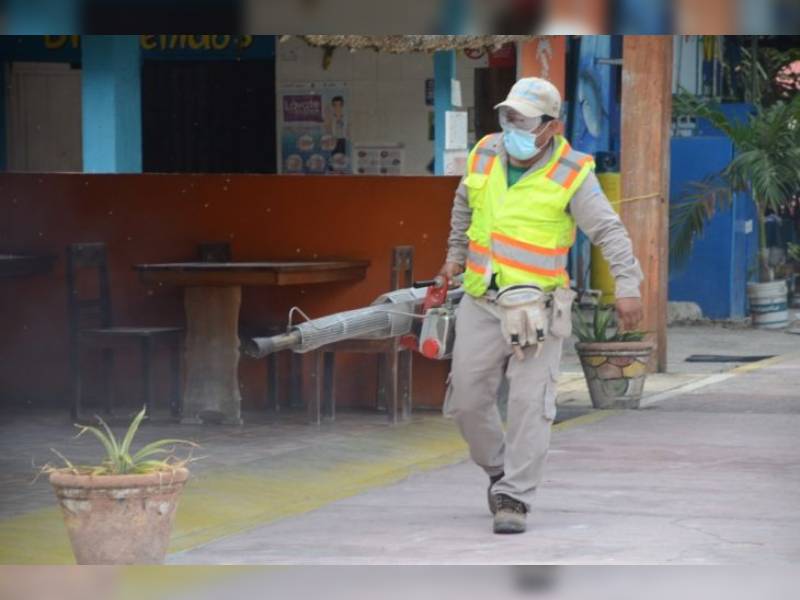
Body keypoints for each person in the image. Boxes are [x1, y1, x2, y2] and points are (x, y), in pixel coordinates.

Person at [438, 77, 644, 534]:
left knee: (531, 403)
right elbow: (463, 208)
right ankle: (497, 472)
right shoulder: (486, 153)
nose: (511, 125)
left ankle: (515, 496)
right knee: (467, 399)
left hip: (538, 306)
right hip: (481, 297)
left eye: (523, 119)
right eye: (507, 115)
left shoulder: (572, 173)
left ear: (552, 127)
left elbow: (608, 231)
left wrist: (627, 286)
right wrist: (453, 259)